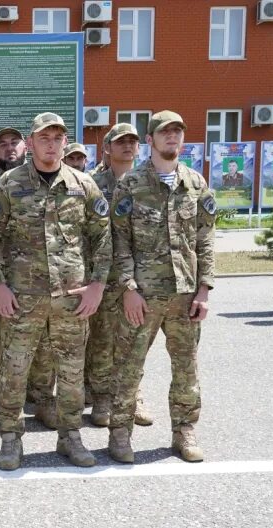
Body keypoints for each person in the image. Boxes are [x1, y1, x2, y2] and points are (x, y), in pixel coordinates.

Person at [0, 112, 111, 470]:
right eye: (44, 138)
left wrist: (97, 286)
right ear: (31, 141)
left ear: (64, 142)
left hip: (72, 298)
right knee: (15, 370)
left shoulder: (83, 184)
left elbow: (102, 237)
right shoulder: (10, 184)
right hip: (22, 298)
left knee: (71, 372)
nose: (51, 144)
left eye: (57, 138)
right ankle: (11, 439)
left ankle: (70, 436)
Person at [107, 111, 215, 464]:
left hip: (185, 295)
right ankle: (120, 434)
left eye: (177, 132)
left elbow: (205, 240)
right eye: (165, 132)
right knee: (128, 366)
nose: (172, 137)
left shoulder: (196, 184)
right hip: (143, 296)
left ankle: (184, 431)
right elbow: (117, 241)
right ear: (150, 140)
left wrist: (204, 290)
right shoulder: (131, 185)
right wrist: (128, 288)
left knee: (186, 367)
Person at [0, 126, 58, 432]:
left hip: (36, 284)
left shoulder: (44, 182)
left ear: (26, 146)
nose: (9, 148)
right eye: (1, 145)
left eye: (14, 142)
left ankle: (43, 399)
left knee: (43, 347)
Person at [87, 123, 153, 428]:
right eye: (120, 141)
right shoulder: (91, 184)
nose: (128, 146)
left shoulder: (148, 183)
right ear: (107, 148)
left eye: (132, 141)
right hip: (102, 275)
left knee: (134, 341)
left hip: (140, 278)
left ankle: (132, 396)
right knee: (101, 340)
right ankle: (101, 399)